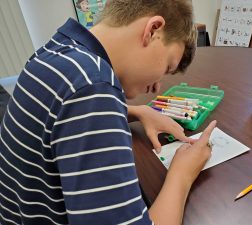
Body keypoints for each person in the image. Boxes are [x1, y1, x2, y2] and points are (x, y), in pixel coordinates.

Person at [0, 0, 216, 224]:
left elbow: (56, 118)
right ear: (153, 30)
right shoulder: (93, 89)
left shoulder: (57, 52)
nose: (157, 85)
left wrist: (132, 111)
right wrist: (182, 174)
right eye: (167, 67)